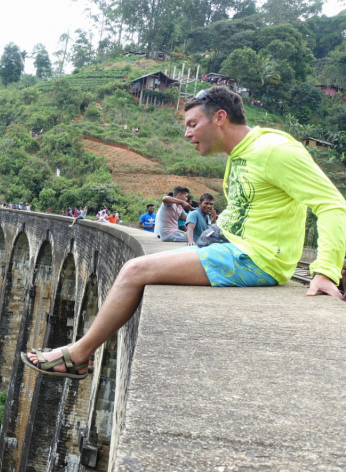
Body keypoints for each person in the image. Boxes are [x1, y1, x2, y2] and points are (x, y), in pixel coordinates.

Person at [22, 86, 346, 380]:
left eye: (192, 124)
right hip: (232, 247)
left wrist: (325, 271)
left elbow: (332, 204)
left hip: (254, 258)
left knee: (135, 270)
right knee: (142, 267)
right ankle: (78, 353)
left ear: (220, 117)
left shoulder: (275, 150)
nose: (187, 133)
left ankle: (78, 356)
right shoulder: (242, 153)